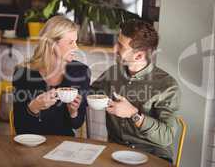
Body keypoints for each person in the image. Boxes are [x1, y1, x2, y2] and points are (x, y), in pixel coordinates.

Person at [91, 19, 180, 163]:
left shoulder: (167, 86)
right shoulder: (113, 73)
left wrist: (133, 114)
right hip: (115, 152)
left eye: (120, 46)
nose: (114, 49)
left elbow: (166, 136)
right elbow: (92, 93)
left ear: (139, 55)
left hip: (153, 155)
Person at [13, 15, 91, 136]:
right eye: (71, 42)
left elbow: (77, 124)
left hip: (63, 145)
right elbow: (19, 127)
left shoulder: (80, 72)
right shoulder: (23, 73)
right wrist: (34, 107)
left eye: (76, 42)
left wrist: (73, 112)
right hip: (32, 143)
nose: (76, 47)